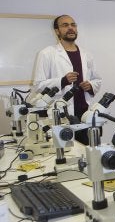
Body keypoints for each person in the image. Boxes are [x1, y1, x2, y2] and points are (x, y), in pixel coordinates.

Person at [33, 15, 102, 145]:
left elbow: (97, 79)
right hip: (60, 114)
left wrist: (91, 86)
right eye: (65, 25)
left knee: (87, 152)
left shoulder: (87, 54)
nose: (70, 28)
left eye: (73, 25)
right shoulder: (47, 54)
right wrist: (63, 81)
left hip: (84, 114)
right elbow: (38, 85)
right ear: (57, 31)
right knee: (64, 151)